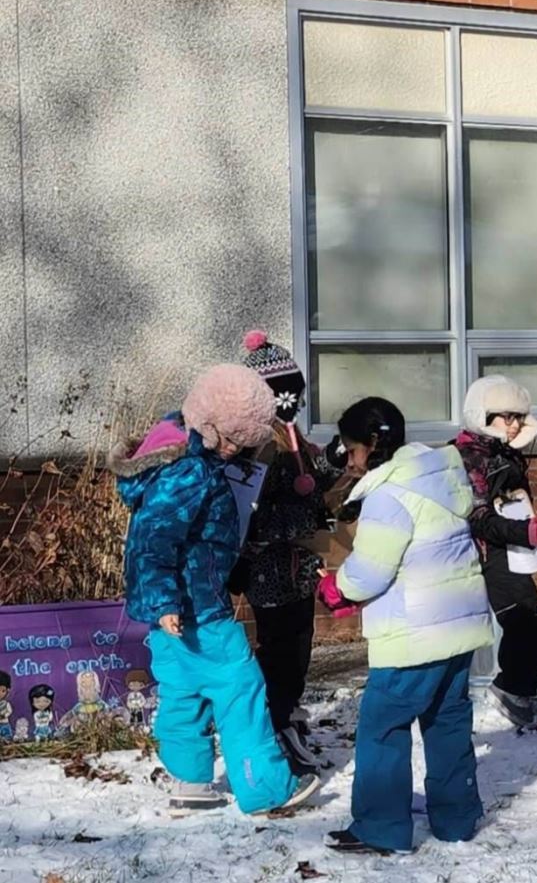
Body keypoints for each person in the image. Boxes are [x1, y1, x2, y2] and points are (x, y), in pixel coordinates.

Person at [110, 364, 321, 815]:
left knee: (183, 691)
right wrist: (166, 599)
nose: (234, 452)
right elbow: (152, 539)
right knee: (241, 688)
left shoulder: (181, 451)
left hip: (175, 610)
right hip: (196, 607)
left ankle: (191, 781)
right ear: (212, 427)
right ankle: (265, 788)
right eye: (233, 441)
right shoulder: (190, 473)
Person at [320, 397, 495, 855]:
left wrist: (337, 587)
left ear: (373, 444)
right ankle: (456, 820)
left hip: (413, 634)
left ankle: (380, 828)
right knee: (448, 725)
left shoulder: (388, 494)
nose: (349, 459)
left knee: (382, 728)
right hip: (457, 627)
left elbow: (371, 571)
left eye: (352, 448)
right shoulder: (438, 477)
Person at [232, 330, 338, 775]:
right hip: (269, 571)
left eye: (295, 388)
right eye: (282, 392)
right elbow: (250, 516)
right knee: (279, 652)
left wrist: (333, 464)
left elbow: (311, 481)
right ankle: (275, 728)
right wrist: (307, 522)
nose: (292, 399)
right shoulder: (254, 446)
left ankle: (288, 710)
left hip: (298, 569)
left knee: (299, 646)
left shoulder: (293, 437)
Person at [454, 375, 537, 729]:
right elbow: (476, 515)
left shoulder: (506, 453)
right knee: (521, 616)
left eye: (520, 416)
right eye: (508, 416)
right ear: (484, 415)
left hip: (519, 542)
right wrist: (521, 530)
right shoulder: (470, 457)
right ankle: (511, 690)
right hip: (490, 550)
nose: (516, 424)